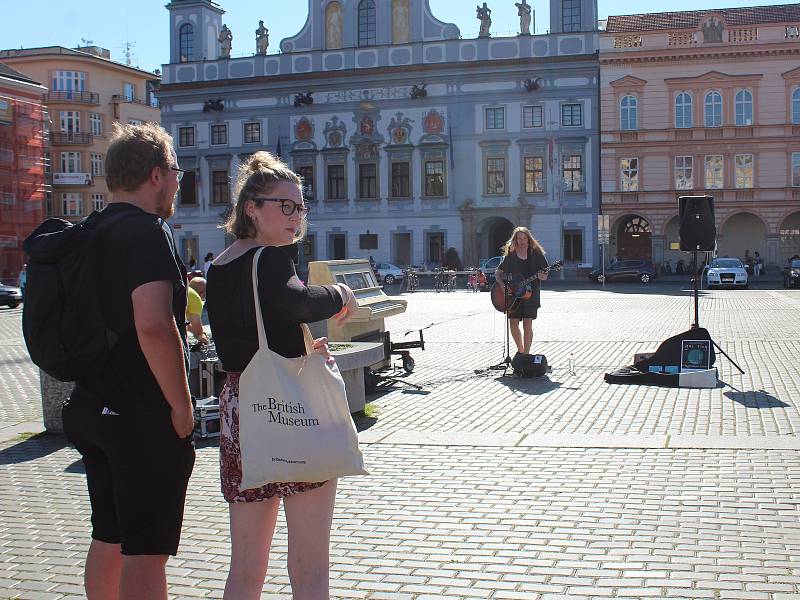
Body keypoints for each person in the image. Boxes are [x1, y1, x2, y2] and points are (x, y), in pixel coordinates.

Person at [205, 151, 358, 600]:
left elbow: (257, 333)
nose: (296, 217)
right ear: (251, 207)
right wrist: (340, 291)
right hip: (293, 414)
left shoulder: (219, 265)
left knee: (246, 570)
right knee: (310, 570)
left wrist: (303, 344)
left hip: (241, 413)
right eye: (285, 206)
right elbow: (296, 302)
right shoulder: (270, 258)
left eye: (301, 207)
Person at [60, 122, 195, 600]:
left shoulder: (92, 230)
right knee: (145, 552)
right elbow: (154, 326)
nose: (180, 181)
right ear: (156, 175)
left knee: (110, 536)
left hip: (91, 407)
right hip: (139, 414)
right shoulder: (146, 233)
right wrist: (181, 406)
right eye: (177, 170)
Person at [494, 226, 548, 356]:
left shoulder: (536, 253)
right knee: (513, 323)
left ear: (529, 239)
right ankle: (520, 350)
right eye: (519, 238)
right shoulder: (511, 254)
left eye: (524, 238)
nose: (522, 241)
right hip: (513, 295)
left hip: (531, 294)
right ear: (515, 240)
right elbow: (498, 273)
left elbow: (545, 275)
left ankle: (527, 355)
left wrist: (543, 276)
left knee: (527, 323)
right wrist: (503, 286)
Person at [187, 277, 208, 344]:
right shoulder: (196, 298)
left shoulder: (186, 291)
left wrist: (196, 330)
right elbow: (198, 333)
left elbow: (183, 324)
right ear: (201, 293)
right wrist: (201, 335)